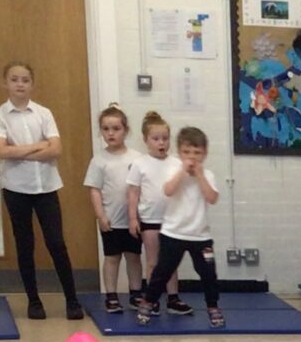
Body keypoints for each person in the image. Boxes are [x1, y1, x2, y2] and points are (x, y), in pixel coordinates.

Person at [0, 60, 83, 322]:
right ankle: (33, 300)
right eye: (14, 79)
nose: (20, 84)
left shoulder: (44, 113)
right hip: (16, 189)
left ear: (32, 84)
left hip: (46, 188)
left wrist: (20, 151)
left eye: (25, 80)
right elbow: (2, 151)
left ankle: (72, 299)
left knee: (56, 243)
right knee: (25, 244)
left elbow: (56, 149)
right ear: (5, 83)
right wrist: (37, 146)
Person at [133, 125, 224, 329]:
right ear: (179, 153)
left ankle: (213, 306)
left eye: (197, 152)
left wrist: (199, 175)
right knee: (162, 272)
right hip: (173, 233)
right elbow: (168, 190)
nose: (192, 157)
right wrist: (183, 172)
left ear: (205, 154)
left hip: (200, 236)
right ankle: (148, 302)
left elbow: (212, 198)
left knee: (208, 275)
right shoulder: (173, 170)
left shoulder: (208, 175)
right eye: (187, 152)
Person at [84, 104, 142, 314]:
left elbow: (142, 187)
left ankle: (136, 294)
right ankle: (111, 296)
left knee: (133, 256)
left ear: (125, 130)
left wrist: (138, 215)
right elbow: (94, 190)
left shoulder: (137, 158)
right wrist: (100, 215)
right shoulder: (99, 160)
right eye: (106, 129)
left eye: (116, 128)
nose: (111, 133)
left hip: (133, 219)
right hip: (111, 219)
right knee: (112, 258)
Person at [127, 110, 180, 313]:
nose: (161, 143)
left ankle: (173, 298)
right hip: (150, 219)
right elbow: (133, 193)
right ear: (146, 140)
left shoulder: (176, 163)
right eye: (156, 139)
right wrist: (133, 218)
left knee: (171, 262)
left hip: (171, 220)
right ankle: (152, 299)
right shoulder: (139, 164)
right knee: (153, 262)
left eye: (165, 138)